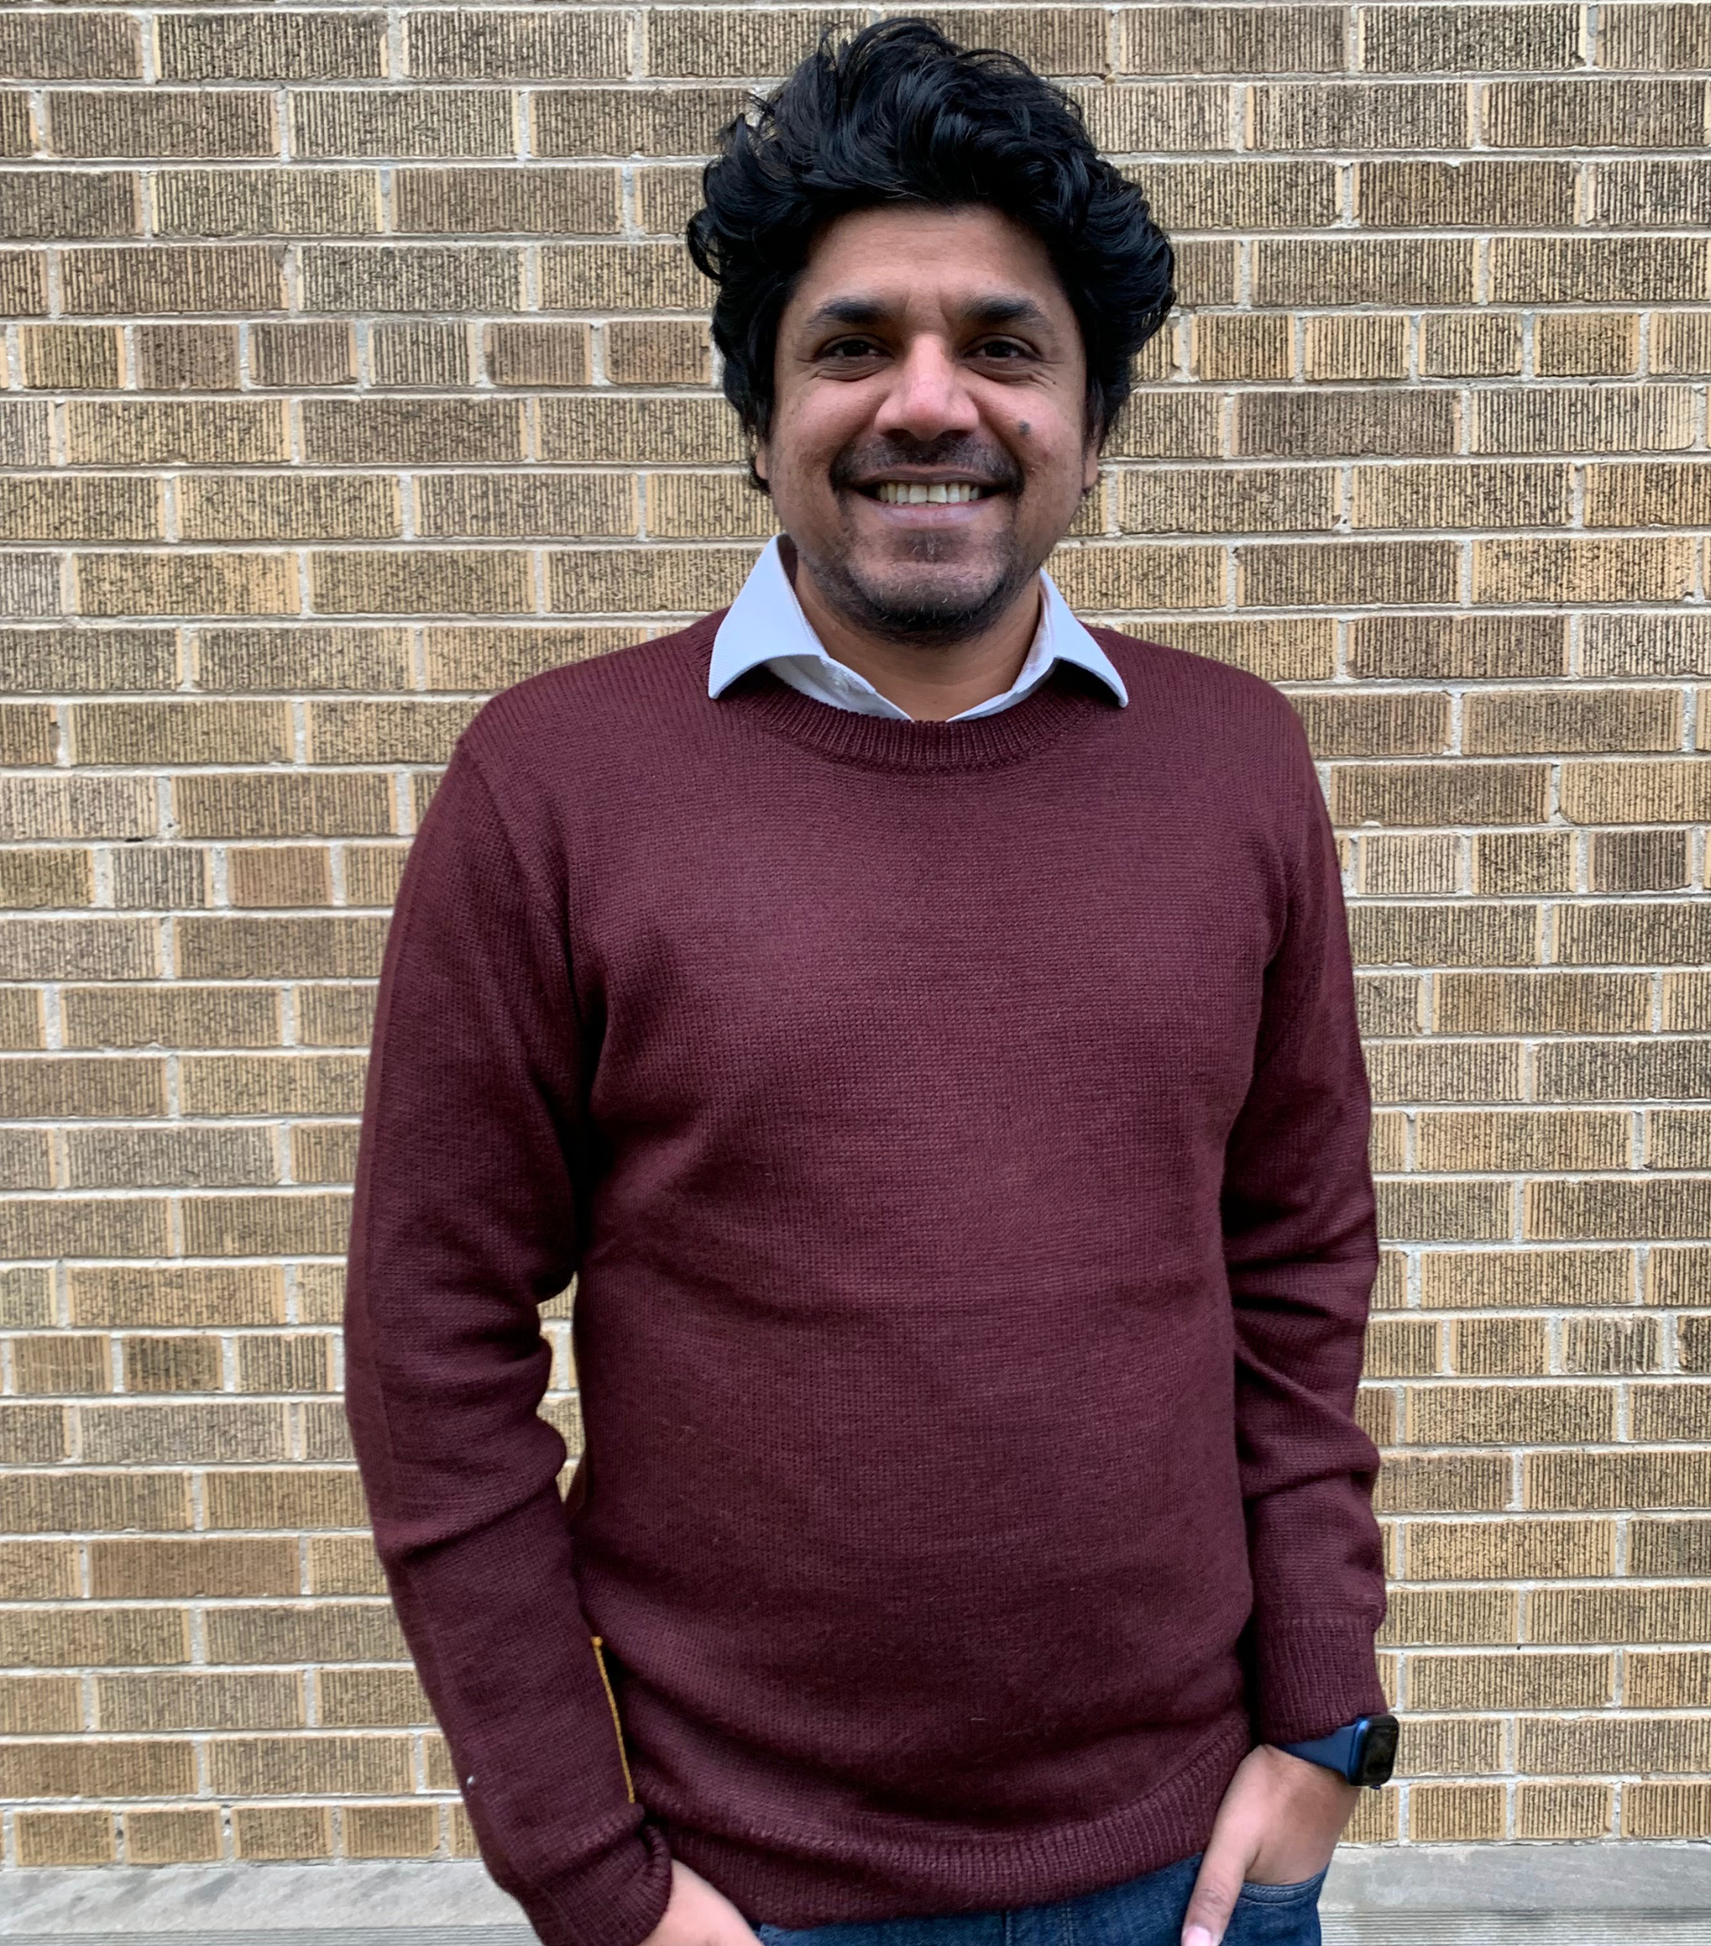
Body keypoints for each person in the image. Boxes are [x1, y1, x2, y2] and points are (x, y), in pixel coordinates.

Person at [341, 20, 1393, 1946]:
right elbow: (433, 1350)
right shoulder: (554, 784)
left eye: (1002, 345)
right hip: (733, 1896)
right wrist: (591, 1875)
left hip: (1188, 1874)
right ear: (760, 415)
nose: (930, 402)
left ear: (1091, 416)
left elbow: (1297, 1257)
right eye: (852, 346)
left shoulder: (1236, 764)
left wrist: (1325, 1721)